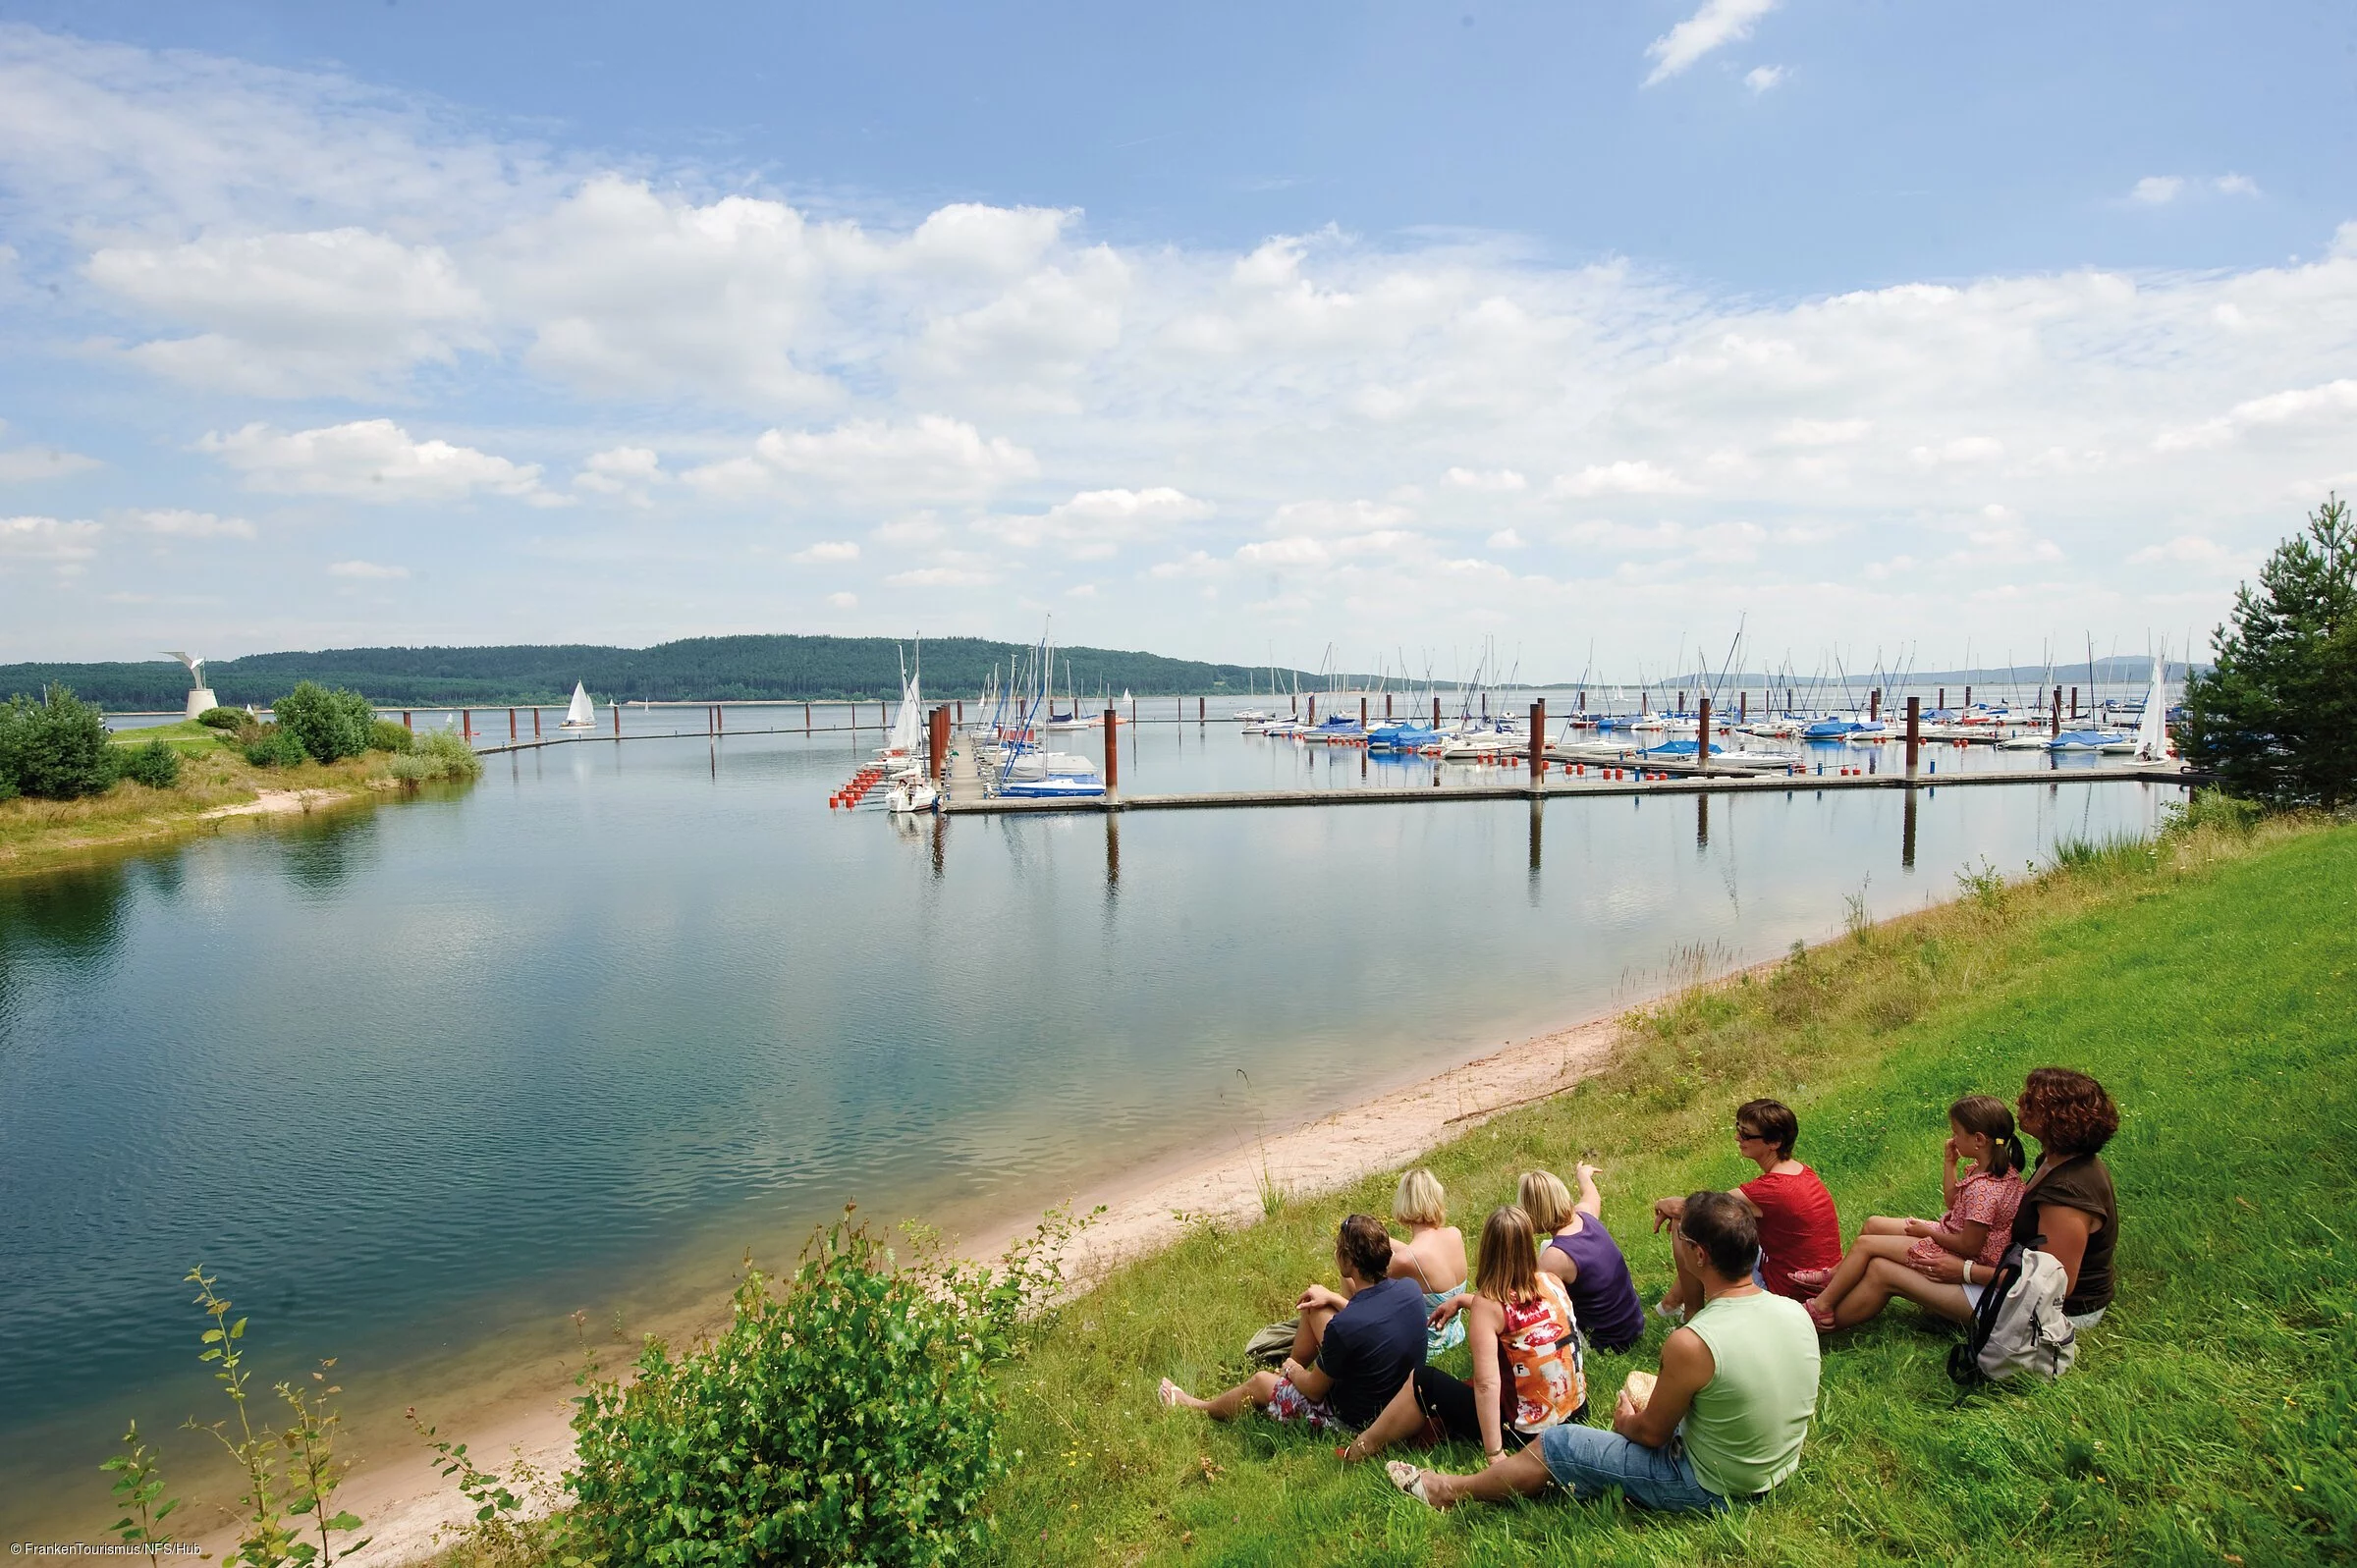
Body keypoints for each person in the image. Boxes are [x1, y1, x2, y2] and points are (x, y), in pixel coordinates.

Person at [1384, 1191, 1820, 1515]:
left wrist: (1626, 1421)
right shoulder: (1793, 1313)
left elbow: (1651, 1436)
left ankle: (1449, 1491)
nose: (1677, 1246)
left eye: (1680, 1239)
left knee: (1559, 1443)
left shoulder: (1693, 1341)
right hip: (1774, 1469)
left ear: (1699, 1255)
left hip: (1707, 1486)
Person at [1820, 1068, 2120, 1331]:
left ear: (2058, 1119)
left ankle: (1813, 1326)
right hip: (2010, 1269)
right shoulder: (2057, 1159)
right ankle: (1832, 1291)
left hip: (2055, 1312)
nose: (2019, 1103)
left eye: (2031, 1103)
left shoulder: (2067, 1197)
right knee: (1877, 1236)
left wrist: (1964, 1271)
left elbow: (2056, 1285)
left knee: (1882, 1270)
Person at [1335, 1206, 1585, 1466]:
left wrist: (1494, 1453)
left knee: (1424, 1380)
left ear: (1486, 1249)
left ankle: (1361, 1448)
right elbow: (1520, 1306)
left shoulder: (1488, 1307)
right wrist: (1464, 1300)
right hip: (1574, 1413)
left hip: (1524, 1430)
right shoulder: (1551, 1281)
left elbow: (1487, 1385)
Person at [1159, 1214, 1426, 1433]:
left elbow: (1314, 1391)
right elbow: (1371, 1314)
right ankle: (1283, 1379)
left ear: (1347, 1261)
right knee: (1315, 1308)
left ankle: (1197, 1406)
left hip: (1354, 1422)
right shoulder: (1410, 1291)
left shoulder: (1345, 1327)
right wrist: (1331, 1297)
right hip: (1400, 1401)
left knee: (1260, 1382)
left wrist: (1293, 1369)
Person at [1799, 1095, 2026, 1331]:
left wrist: (1927, 1232)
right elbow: (1953, 1203)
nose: (1953, 1138)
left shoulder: (1984, 1190)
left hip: (1964, 1256)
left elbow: (1970, 1247)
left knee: (1867, 1245)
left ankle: (1821, 1306)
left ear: (1978, 1139)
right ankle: (1836, 1277)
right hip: (1956, 1234)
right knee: (1874, 1224)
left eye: (1957, 1132)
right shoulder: (1993, 1171)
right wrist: (1950, 1163)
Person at [1652, 1098, 1840, 1316]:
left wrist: (1661, 1203)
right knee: (1723, 1228)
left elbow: (1690, 1208)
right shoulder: (1800, 1171)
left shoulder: (1770, 1190)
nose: (1737, 1137)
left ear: (1774, 1142)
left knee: (1688, 1222)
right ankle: (1671, 1303)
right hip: (1816, 1281)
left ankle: (1691, 1314)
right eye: (1738, 1129)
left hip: (1789, 1293)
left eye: (1746, 1134)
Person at [1519, 1165, 1646, 1353]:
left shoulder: (1555, 1257)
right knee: (1546, 1246)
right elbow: (1591, 1194)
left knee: (1536, 1316)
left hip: (1606, 1343)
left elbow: (1520, 1296)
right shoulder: (1586, 1214)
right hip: (1633, 1325)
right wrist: (1583, 1176)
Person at [1387, 1168, 1470, 1357]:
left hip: (1428, 1348)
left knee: (1354, 1279)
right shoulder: (1454, 1234)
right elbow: (1417, 1254)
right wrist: (1382, 1238)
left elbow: (1369, 1282)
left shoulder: (1405, 1260)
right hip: (1456, 1335)